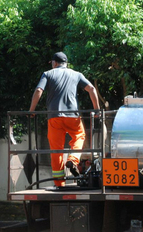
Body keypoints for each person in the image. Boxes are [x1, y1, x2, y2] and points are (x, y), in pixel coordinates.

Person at [29, 51, 100, 187]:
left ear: (55, 63)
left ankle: (59, 183)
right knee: (79, 136)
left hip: (54, 117)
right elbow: (91, 88)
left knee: (56, 151)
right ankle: (73, 160)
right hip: (73, 116)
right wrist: (96, 109)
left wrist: (31, 110)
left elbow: (39, 90)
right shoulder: (76, 74)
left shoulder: (48, 74)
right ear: (66, 64)